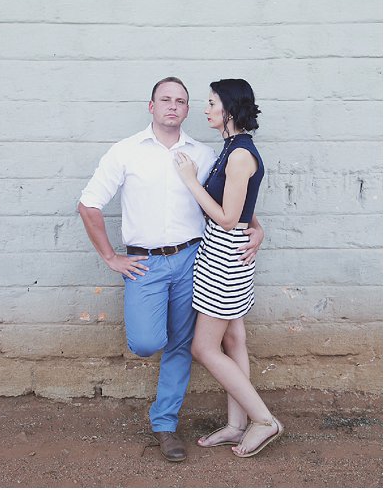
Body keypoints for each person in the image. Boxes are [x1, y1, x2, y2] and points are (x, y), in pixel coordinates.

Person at [77, 77, 264, 463]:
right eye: (165, 99)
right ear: (151, 106)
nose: (173, 106)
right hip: (144, 261)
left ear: (188, 108)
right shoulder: (125, 152)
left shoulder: (204, 153)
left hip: (195, 259)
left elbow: (232, 201)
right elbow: (88, 205)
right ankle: (251, 420)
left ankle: (165, 425)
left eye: (182, 101)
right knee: (147, 342)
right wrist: (111, 257)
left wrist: (257, 229)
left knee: (184, 345)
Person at [173, 79, 283, 457]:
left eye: (211, 103)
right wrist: (257, 227)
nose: (206, 109)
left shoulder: (239, 155)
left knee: (204, 347)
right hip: (224, 252)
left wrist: (190, 181)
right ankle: (237, 426)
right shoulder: (232, 148)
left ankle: (263, 420)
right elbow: (243, 212)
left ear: (230, 111)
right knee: (233, 340)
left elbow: (227, 217)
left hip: (224, 257)